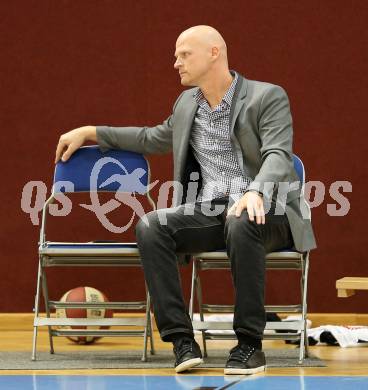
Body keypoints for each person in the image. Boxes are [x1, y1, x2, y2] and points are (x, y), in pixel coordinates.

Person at [55, 25, 316, 375]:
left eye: (183, 54)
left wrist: (256, 190)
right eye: (176, 55)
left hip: (271, 209)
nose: (175, 62)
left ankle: (250, 345)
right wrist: (92, 131)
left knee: (240, 221)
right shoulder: (186, 104)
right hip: (215, 210)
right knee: (152, 225)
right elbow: (151, 138)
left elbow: (278, 155)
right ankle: (181, 340)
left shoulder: (266, 97)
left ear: (214, 53)